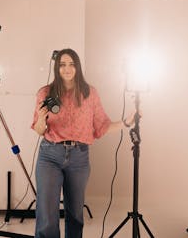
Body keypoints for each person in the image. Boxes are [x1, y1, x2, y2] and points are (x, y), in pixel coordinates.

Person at [31, 48, 136, 238]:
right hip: (50, 155)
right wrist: (41, 118)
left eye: (71, 64)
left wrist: (126, 123)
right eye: (62, 65)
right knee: (47, 214)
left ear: (77, 67)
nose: (67, 69)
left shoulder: (90, 93)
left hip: (79, 158)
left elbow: (102, 126)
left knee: (75, 213)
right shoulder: (45, 92)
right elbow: (40, 130)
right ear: (57, 68)